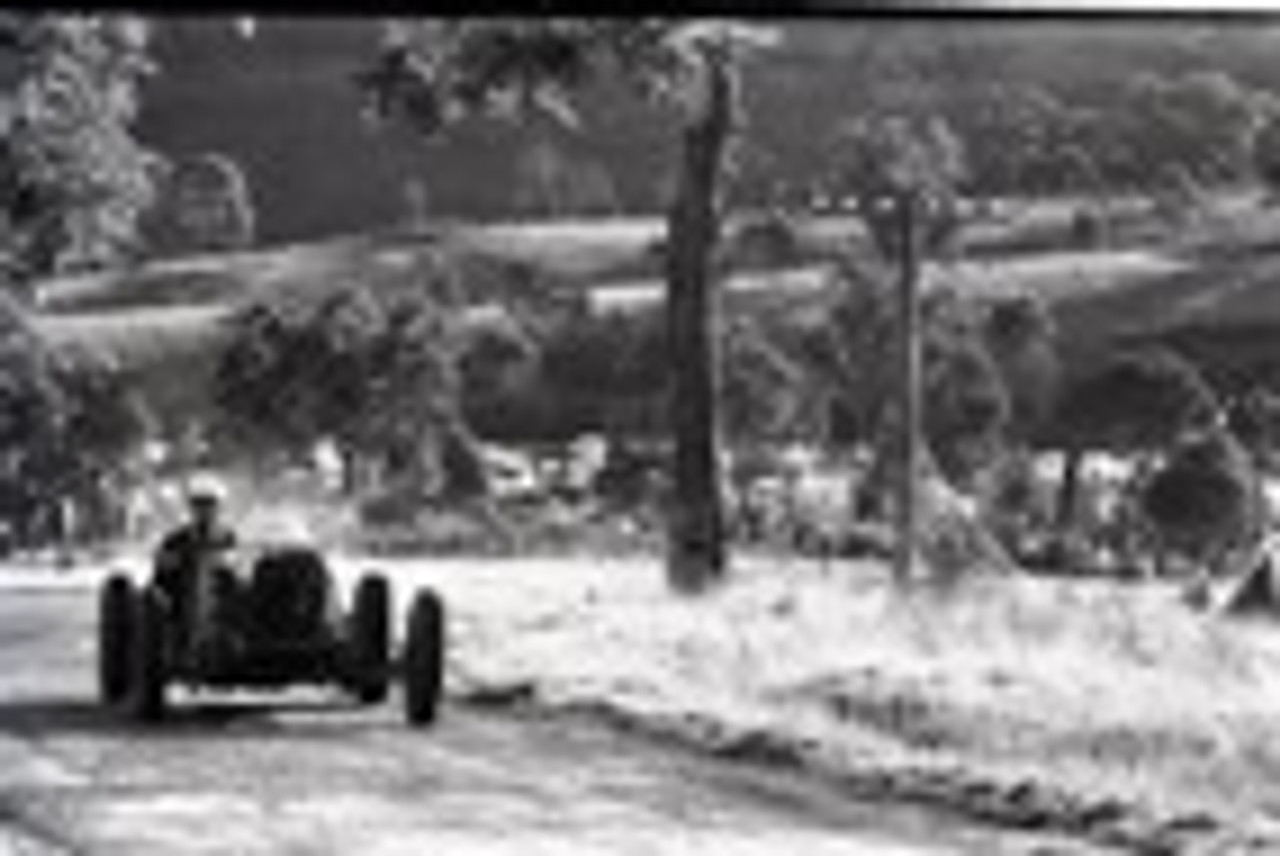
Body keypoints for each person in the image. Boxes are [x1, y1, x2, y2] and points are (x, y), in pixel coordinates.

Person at [152, 475, 239, 653]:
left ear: (218, 508)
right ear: (191, 508)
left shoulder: (227, 538)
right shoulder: (175, 540)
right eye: (199, 505)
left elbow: (236, 572)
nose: (204, 511)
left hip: (220, 607)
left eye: (209, 505)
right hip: (181, 603)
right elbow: (160, 579)